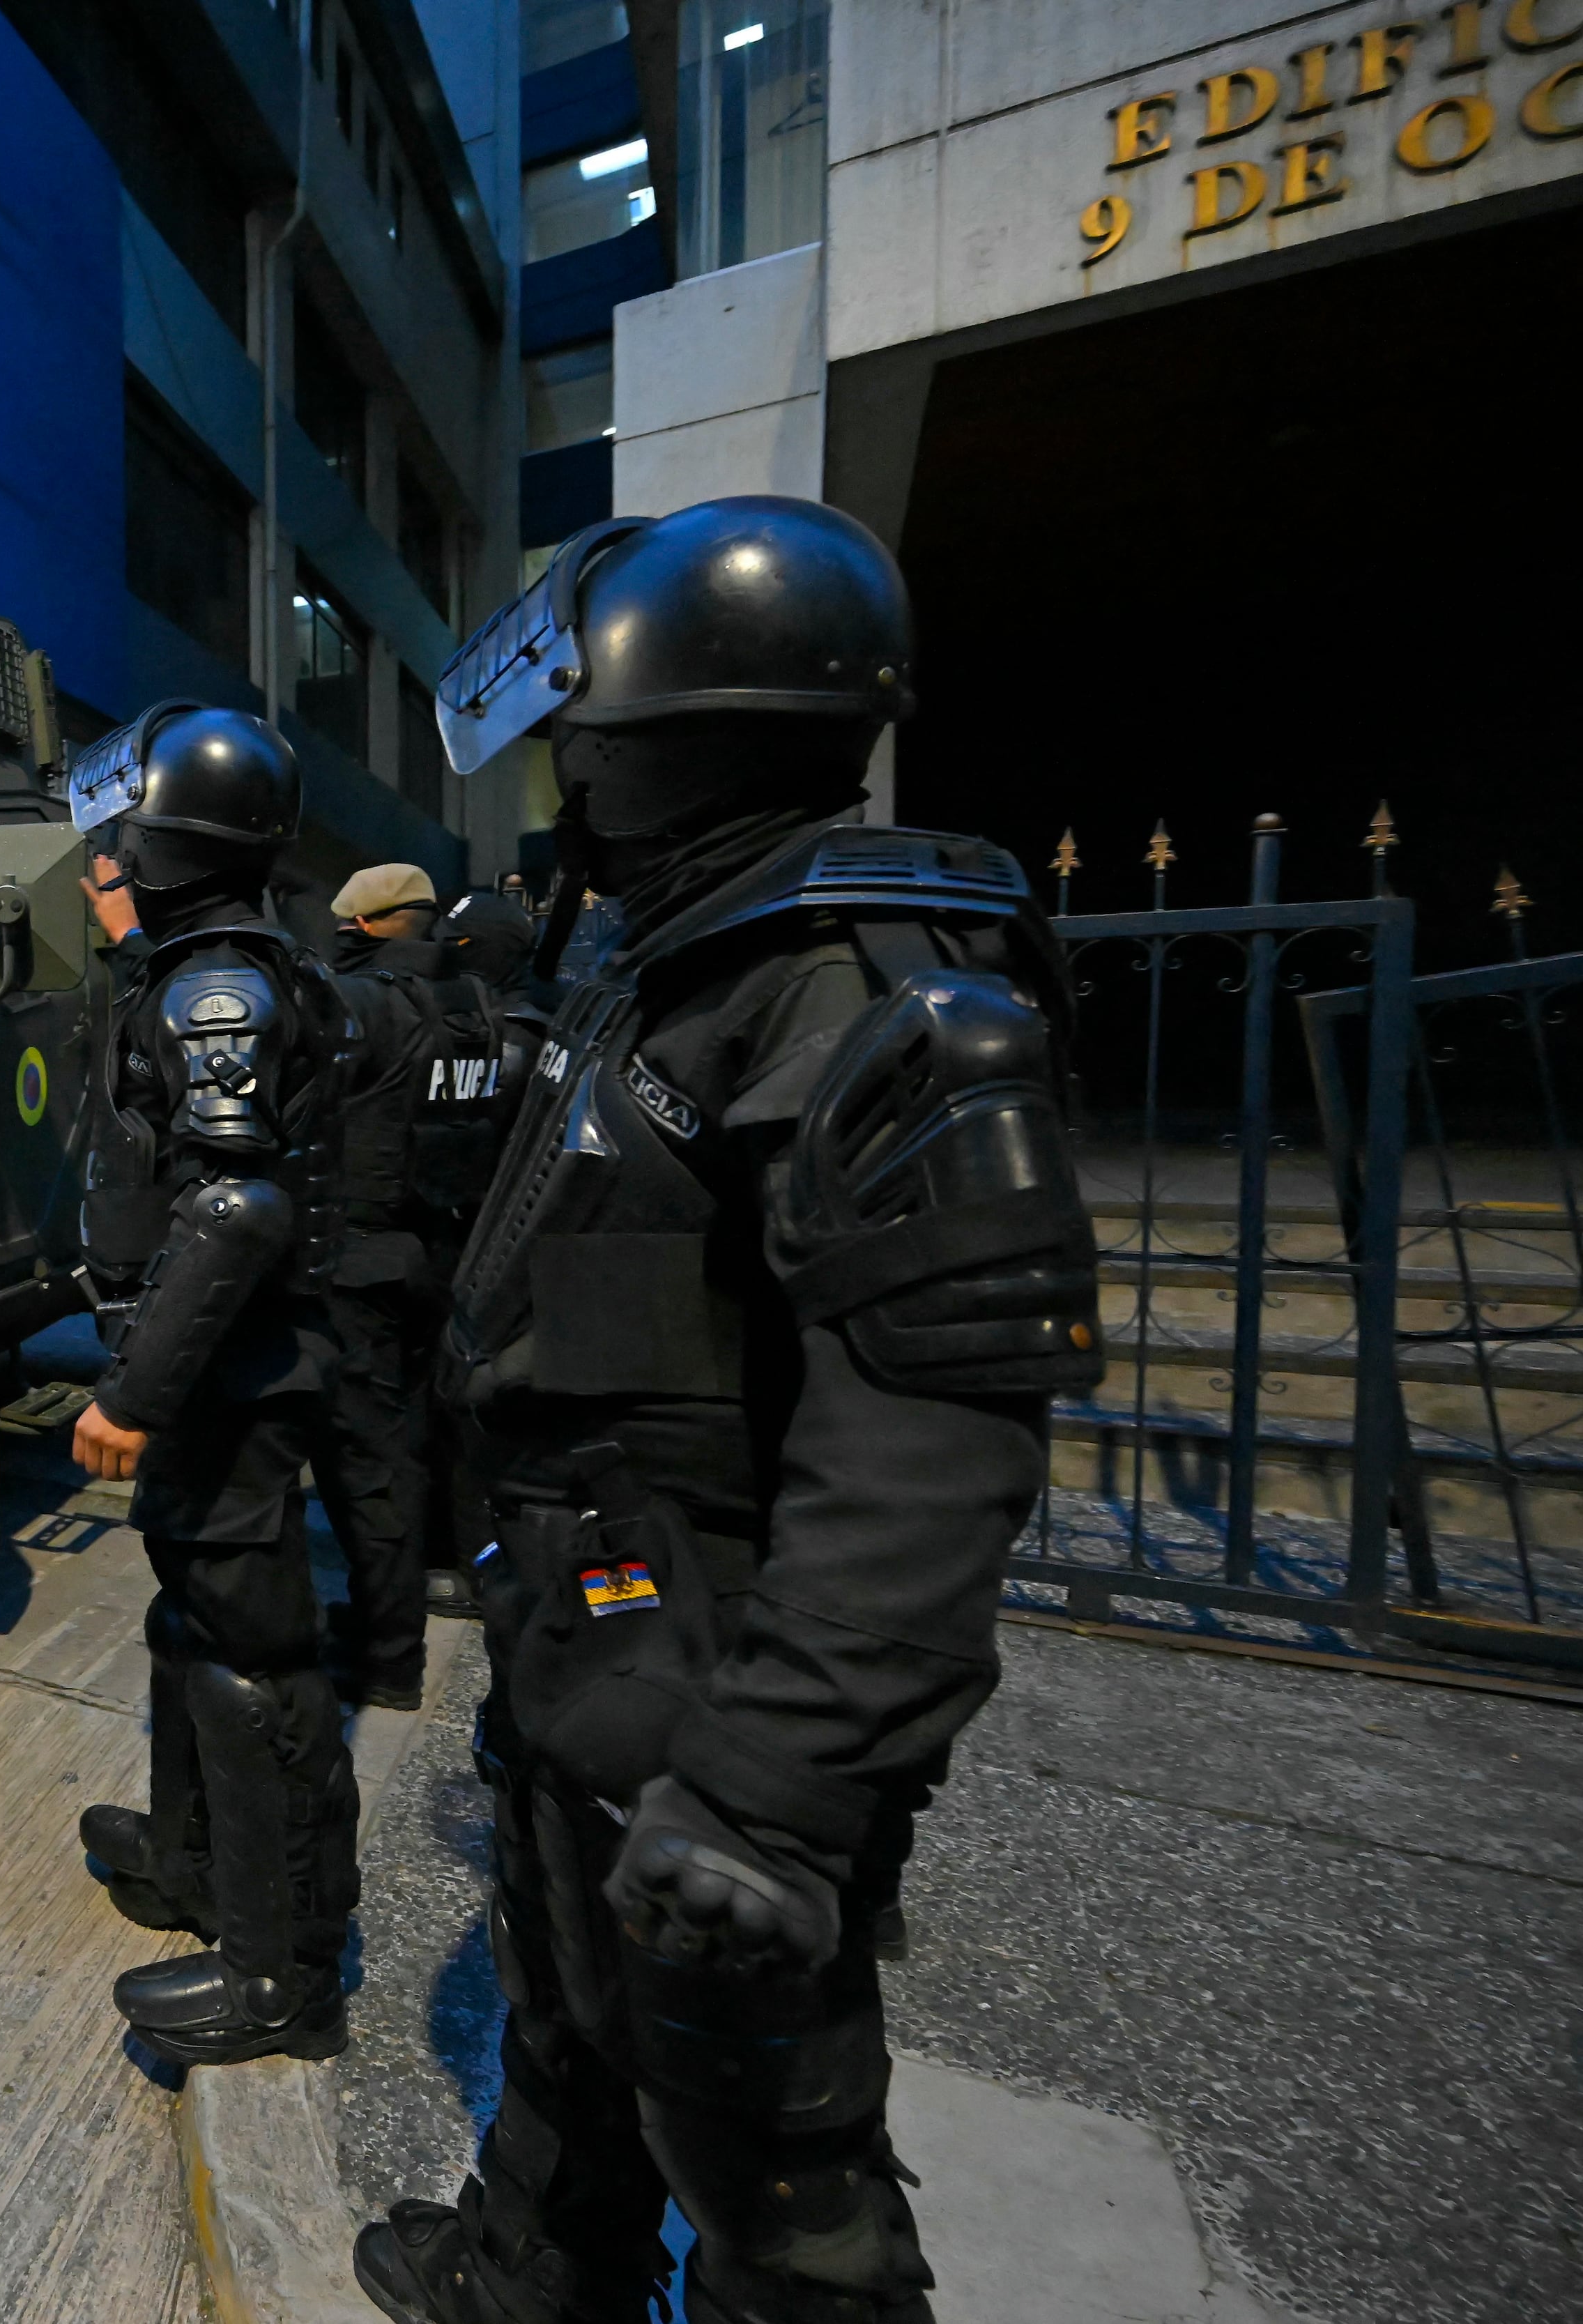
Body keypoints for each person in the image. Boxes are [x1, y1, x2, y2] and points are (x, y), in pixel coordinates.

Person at [350, 498, 1102, 2324]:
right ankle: (534, 2276)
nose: (567, 777)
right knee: (567, 1997)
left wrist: (772, 1790)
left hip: (720, 1663)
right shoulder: (684, 957)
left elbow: (930, 1439)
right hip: (601, 1614)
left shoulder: (862, 990)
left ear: (661, 736)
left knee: (772, 2166)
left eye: (582, 738)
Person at [63, 704, 363, 2068]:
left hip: (226, 1377)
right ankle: (195, 1864)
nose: (117, 850)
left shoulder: (218, 986)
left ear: (175, 839)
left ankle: (283, 1969)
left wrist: (133, 1392)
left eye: (135, 830)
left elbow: (237, 1209)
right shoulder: (209, 965)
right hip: (218, 1369)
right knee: (194, 1630)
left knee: (253, 1662)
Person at [314, 863, 517, 1706]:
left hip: (363, 1258)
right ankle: (393, 1618)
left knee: (367, 1466)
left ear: (362, 926)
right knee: (420, 1441)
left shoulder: (364, 1004)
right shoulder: (476, 1003)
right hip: (442, 1253)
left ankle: (387, 1657)